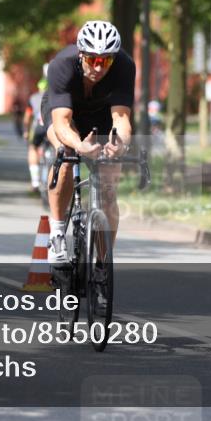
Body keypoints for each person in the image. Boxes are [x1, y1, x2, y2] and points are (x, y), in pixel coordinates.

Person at [42, 20, 134, 265]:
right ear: (81, 53)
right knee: (66, 153)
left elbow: (121, 117)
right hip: (64, 111)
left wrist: (120, 144)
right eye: (92, 59)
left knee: (109, 186)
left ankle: (103, 264)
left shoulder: (124, 66)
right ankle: (58, 231)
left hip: (102, 115)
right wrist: (80, 145)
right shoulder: (62, 65)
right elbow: (62, 122)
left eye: (106, 60)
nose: (98, 66)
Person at [22, 75, 48, 192]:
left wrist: (26, 131)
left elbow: (27, 118)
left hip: (38, 127)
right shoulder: (55, 96)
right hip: (51, 127)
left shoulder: (33, 98)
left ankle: (35, 182)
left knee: (33, 148)